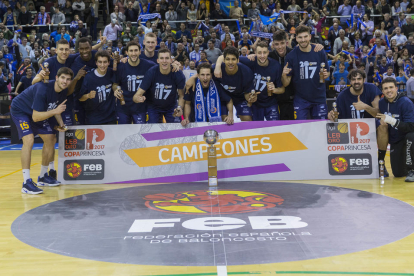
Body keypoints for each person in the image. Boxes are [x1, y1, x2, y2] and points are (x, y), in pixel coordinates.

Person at [10, 67, 74, 194]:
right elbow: (36, 117)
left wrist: (61, 124)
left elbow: (55, 108)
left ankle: (43, 176)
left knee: (51, 138)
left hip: (36, 112)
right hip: (21, 111)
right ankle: (26, 182)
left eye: (68, 79)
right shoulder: (43, 89)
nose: (65, 81)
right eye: (62, 78)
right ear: (56, 77)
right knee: (29, 140)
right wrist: (55, 111)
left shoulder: (62, 91)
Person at [328, 69, 388, 175]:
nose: (356, 81)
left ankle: (380, 162)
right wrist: (331, 115)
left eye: (359, 79)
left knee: (383, 126)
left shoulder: (371, 89)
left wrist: (365, 106)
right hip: (350, 129)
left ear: (364, 80)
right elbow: (336, 117)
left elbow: (379, 113)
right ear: (350, 81)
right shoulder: (342, 96)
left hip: (369, 126)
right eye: (353, 79)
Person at [215, 41, 285, 121]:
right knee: (255, 129)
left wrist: (274, 90)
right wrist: (217, 66)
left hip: (271, 103)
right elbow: (223, 57)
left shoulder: (276, 66)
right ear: (255, 53)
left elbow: (282, 89)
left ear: (268, 52)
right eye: (259, 53)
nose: (262, 56)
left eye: (264, 53)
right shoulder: (249, 61)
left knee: (274, 129)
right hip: (255, 103)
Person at [282, 25, 329, 120]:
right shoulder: (291, 56)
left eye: (305, 36)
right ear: (296, 38)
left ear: (310, 37)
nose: (303, 40)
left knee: (319, 129)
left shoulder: (319, 51)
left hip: (319, 98)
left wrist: (325, 74)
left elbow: (327, 73)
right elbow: (286, 83)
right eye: (300, 37)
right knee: (300, 129)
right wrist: (283, 74)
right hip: (301, 100)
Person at [133, 48, 185, 123]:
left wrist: (179, 107)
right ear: (158, 60)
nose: (164, 61)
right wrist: (138, 99)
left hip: (171, 107)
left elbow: (181, 95)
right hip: (154, 107)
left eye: (167, 58)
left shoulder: (178, 74)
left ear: (171, 60)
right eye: (161, 58)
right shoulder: (151, 72)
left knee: (175, 128)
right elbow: (136, 96)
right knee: (153, 129)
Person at [376, 77, 414, 181]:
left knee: (411, 136)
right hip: (396, 141)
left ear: (396, 88)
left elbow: (411, 126)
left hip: (408, 137)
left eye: (391, 87)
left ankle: (412, 170)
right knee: (398, 173)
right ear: (382, 91)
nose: (389, 90)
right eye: (386, 88)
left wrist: (391, 121)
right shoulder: (382, 103)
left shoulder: (406, 102)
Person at [112, 41, 156, 124]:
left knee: (140, 133)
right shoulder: (121, 66)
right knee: (123, 133)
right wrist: (115, 90)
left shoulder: (149, 66)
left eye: (136, 50)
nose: (133, 53)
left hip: (140, 107)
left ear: (140, 52)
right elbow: (115, 84)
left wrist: (174, 63)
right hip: (123, 107)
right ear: (126, 52)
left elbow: (163, 65)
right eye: (131, 51)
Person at [78, 50, 117, 125]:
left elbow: (116, 84)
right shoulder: (88, 77)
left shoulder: (112, 73)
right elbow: (80, 98)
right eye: (100, 62)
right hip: (94, 119)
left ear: (109, 62)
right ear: (96, 63)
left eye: (105, 62)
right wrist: (88, 96)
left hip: (111, 118)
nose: (102, 65)